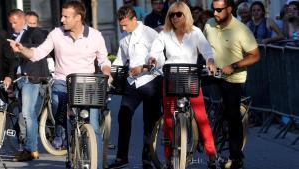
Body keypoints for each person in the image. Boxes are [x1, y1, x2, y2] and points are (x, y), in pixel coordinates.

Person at [8, 1, 112, 168]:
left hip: (88, 84)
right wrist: (22, 50)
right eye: (62, 15)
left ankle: (97, 165)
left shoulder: (95, 36)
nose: (62, 19)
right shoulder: (56, 34)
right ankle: (64, 136)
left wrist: (107, 73)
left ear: (78, 18)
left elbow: (104, 61)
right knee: (59, 107)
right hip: (63, 82)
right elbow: (38, 53)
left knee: (94, 126)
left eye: (66, 16)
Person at [148, 2, 218, 169]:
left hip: (190, 78)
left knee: (201, 117)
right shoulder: (164, 34)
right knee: (168, 118)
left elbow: (207, 50)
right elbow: (155, 51)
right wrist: (152, 59)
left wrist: (210, 61)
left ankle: (212, 155)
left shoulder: (195, 32)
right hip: (171, 78)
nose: (174, 18)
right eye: (171, 15)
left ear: (186, 15)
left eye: (178, 14)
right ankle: (167, 158)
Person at [204, 0, 260, 168]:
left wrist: (234, 66)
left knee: (232, 114)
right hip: (212, 73)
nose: (215, 13)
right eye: (213, 9)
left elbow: (255, 55)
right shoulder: (209, 24)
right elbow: (202, 47)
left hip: (232, 77)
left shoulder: (241, 30)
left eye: (219, 10)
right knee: (188, 91)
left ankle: (236, 157)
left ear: (229, 9)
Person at [107, 5, 163, 169]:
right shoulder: (125, 39)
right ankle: (121, 158)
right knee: (123, 116)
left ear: (134, 19)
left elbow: (159, 60)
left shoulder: (150, 33)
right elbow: (119, 60)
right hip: (132, 83)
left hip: (151, 82)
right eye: (121, 25)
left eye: (125, 25)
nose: (123, 29)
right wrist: (109, 74)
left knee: (149, 122)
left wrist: (143, 67)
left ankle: (147, 159)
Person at [7, 9, 50, 162]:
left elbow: (42, 45)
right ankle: (25, 148)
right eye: (10, 22)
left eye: (15, 22)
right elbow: (13, 62)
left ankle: (32, 149)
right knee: (22, 116)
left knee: (27, 113)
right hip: (19, 79)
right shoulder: (13, 36)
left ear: (23, 20)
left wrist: (21, 46)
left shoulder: (34, 31)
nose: (12, 25)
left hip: (31, 78)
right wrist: (9, 77)